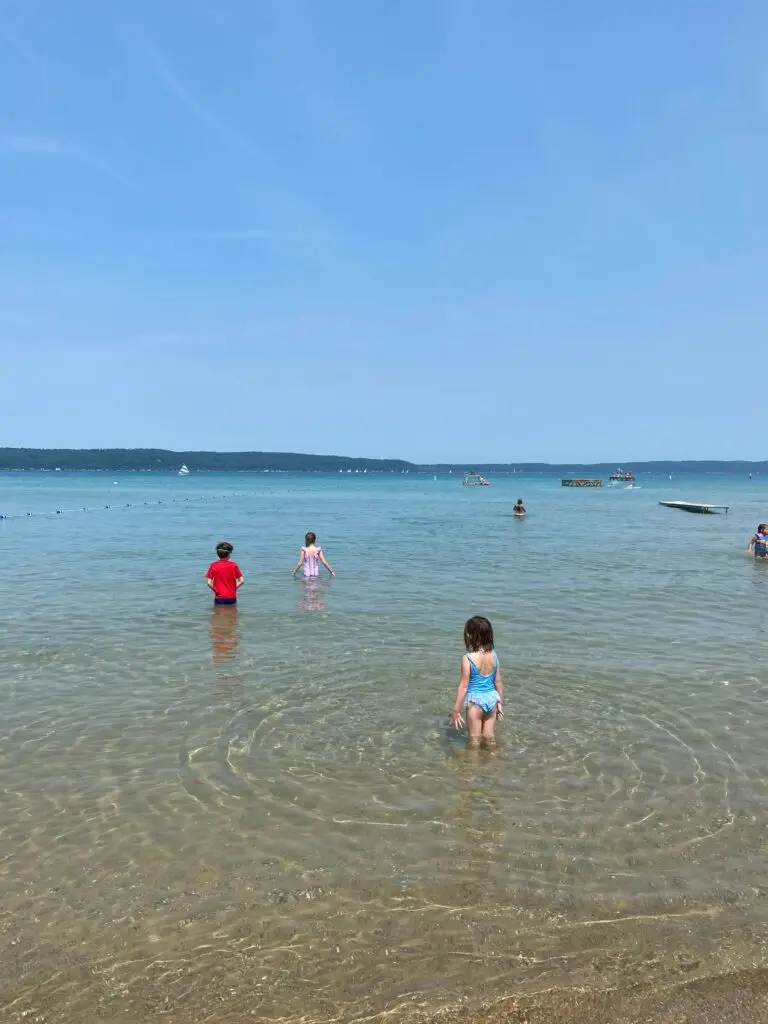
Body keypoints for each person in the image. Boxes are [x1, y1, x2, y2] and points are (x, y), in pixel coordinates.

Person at [449, 616, 504, 748]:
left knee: (474, 740)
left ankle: (472, 768)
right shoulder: (494, 655)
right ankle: (494, 764)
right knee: (489, 738)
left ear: (471, 636)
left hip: (475, 702)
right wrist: (500, 703)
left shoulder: (468, 658)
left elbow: (463, 686)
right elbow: (498, 682)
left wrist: (456, 710)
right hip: (492, 699)